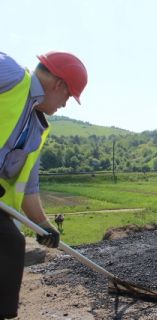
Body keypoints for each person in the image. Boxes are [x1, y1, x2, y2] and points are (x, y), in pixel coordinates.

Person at [0, 51, 88, 319]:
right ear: (58, 85)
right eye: (69, 96)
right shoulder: (11, 75)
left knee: (10, 243)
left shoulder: (37, 130)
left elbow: (28, 188)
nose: (65, 104)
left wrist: (45, 227)